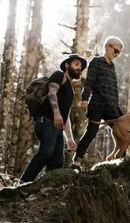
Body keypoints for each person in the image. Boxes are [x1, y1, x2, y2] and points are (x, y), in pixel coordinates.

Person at [20, 54, 87, 182]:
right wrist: (56, 112)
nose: (80, 68)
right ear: (67, 65)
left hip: (57, 128)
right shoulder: (59, 75)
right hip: (46, 121)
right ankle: (22, 184)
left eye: (81, 66)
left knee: (57, 161)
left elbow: (65, 115)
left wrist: (69, 138)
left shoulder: (70, 90)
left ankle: (47, 189)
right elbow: (52, 92)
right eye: (77, 64)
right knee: (46, 153)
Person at [72, 36, 124, 168]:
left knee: (123, 132)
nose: (117, 55)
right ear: (108, 46)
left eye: (119, 53)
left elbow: (114, 90)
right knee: (91, 132)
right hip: (97, 105)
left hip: (112, 107)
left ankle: (122, 162)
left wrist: (117, 109)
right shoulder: (96, 62)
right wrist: (84, 99)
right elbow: (89, 83)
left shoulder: (112, 67)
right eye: (116, 51)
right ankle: (77, 162)